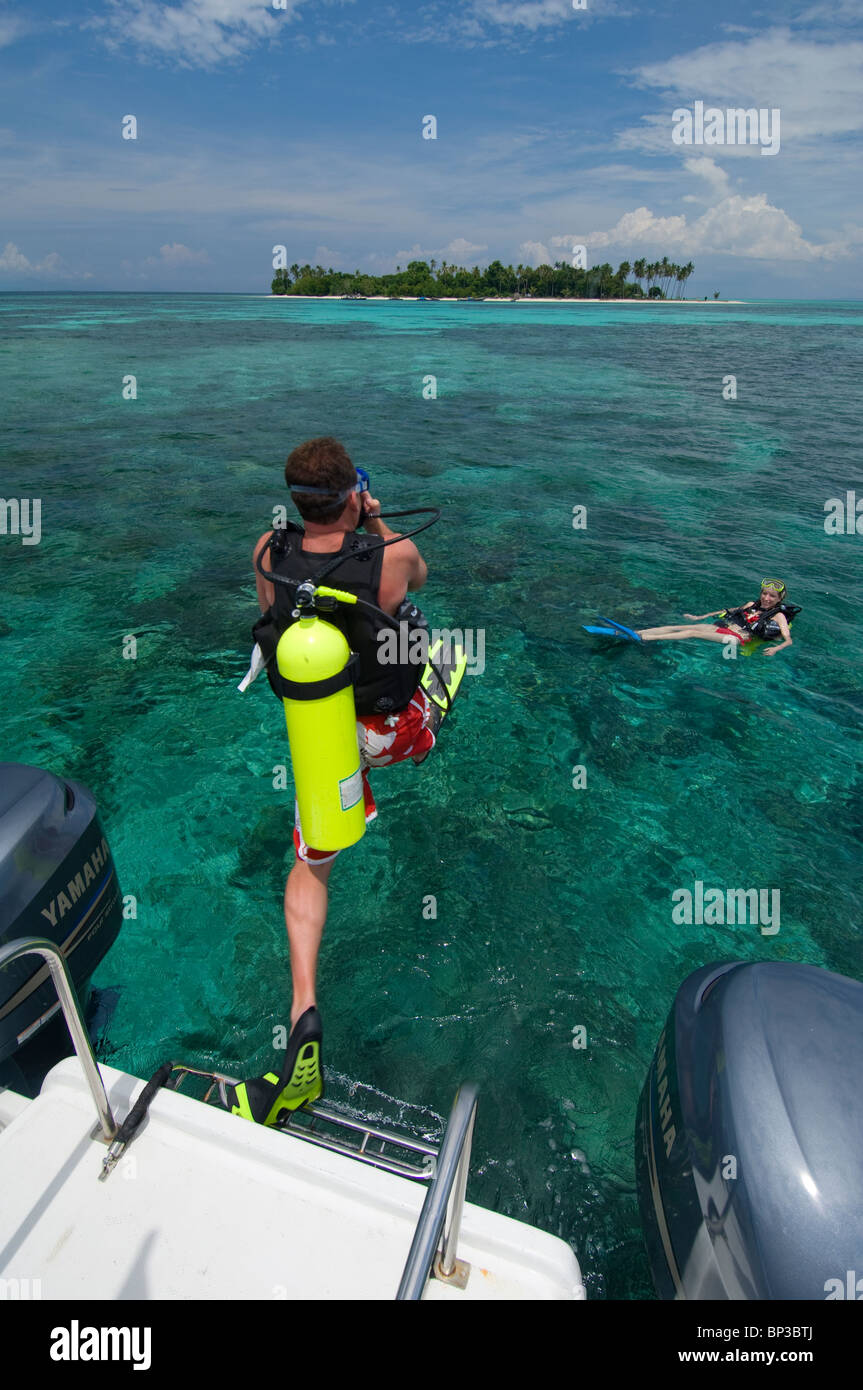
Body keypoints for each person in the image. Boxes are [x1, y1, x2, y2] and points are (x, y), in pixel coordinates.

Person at [223, 438, 435, 1126]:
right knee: (422, 644)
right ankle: (423, 736)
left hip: (321, 739)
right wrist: (373, 520)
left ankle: (303, 1007)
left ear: (293, 502)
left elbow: (269, 618)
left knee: (311, 866)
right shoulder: (389, 554)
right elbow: (419, 573)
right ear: (351, 493)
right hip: (384, 733)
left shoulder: (265, 548)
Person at [600, 580, 796, 654]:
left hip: (737, 639)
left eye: (772, 596)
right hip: (725, 628)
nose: (767, 598)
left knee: (691, 633)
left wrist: (777, 649)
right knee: (678, 626)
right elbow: (727, 611)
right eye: (765, 593)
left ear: (779, 598)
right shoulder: (750, 605)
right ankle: (636, 632)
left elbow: (788, 639)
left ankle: (643, 638)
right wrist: (699, 616)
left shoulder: (778, 615)